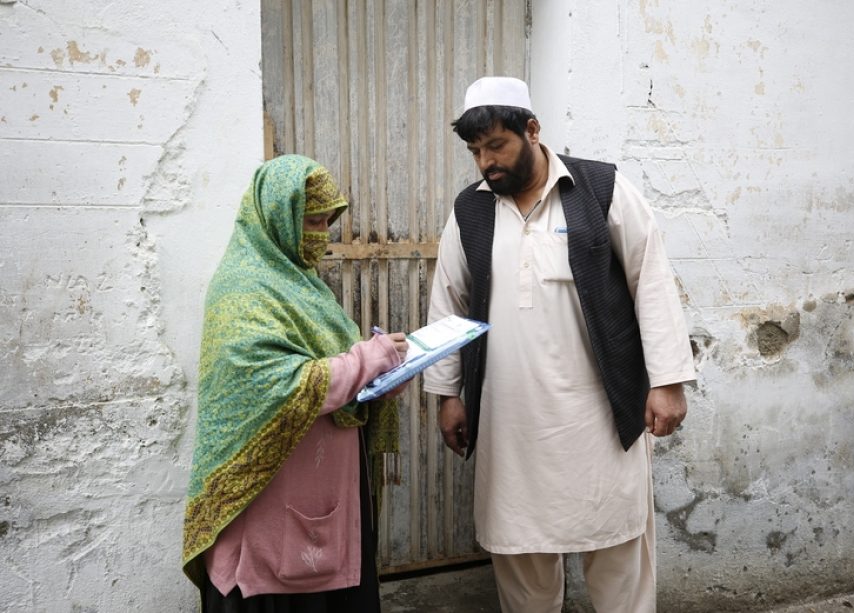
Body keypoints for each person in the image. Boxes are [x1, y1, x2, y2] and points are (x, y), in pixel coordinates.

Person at [423, 76, 696, 612]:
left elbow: (653, 281)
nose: (486, 163)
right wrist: (448, 393)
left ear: (532, 130)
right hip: (510, 424)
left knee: (618, 546)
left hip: (599, 415)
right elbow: (448, 304)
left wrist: (667, 382)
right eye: (477, 152)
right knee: (520, 552)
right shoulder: (471, 210)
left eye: (496, 146)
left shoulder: (601, 189)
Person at [182, 154, 409, 612]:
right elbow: (279, 384)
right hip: (272, 506)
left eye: (327, 222)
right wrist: (368, 358)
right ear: (277, 216)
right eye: (312, 222)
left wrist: (382, 375)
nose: (322, 236)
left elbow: (332, 365)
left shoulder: (300, 283)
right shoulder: (244, 289)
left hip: (326, 494)